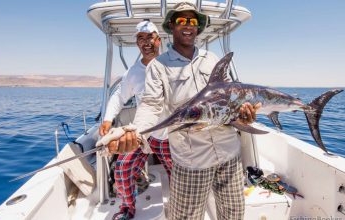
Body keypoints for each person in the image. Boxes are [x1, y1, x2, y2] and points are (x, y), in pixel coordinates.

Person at [107, 2, 260, 219]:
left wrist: (242, 113)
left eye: (193, 21)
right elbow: (151, 104)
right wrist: (136, 132)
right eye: (181, 20)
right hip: (192, 160)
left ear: (198, 27)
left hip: (229, 155)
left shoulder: (212, 59)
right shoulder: (158, 66)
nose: (188, 25)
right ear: (171, 25)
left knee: (234, 214)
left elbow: (229, 96)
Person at [98, 21, 172, 220]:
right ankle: (128, 208)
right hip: (144, 135)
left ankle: (179, 206)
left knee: (179, 175)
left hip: (170, 136)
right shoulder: (133, 72)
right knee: (122, 169)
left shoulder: (173, 64)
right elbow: (119, 96)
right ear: (137, 43)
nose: (146, 42)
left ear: (159, 40)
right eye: (141, 38)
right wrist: (107, 119)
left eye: (150, 37)